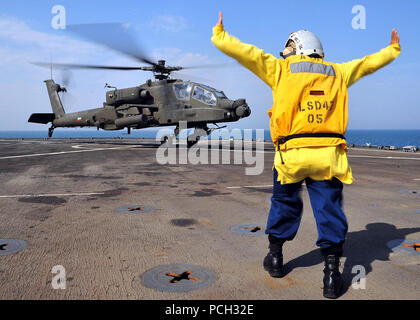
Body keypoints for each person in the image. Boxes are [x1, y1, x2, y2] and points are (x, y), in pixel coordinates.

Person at [211, 11, 400, 299]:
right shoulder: (338, 71)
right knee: (329, 211)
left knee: (284, 203)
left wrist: (220, 35)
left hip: (291, 156)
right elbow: (368, 64)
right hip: (328, 157)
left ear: (298, 47)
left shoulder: (280, 69)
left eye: (287, 49)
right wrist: (393, 49)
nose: (284, 54)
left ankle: (275, 258)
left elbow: (246, 53)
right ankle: (331, 275)